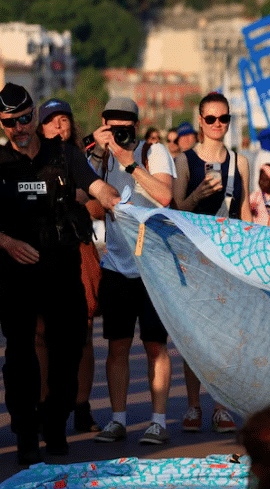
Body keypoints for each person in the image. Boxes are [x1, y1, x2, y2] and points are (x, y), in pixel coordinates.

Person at [0, 84, 121, 465]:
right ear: (1, 122)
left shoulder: (64, 154)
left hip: (62, 268)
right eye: (10, 123)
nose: (19, 128)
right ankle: (25, 432)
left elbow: (96, 186)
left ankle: (56, 425)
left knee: (68, 350)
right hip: (17, 272)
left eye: (24, 119)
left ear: (34, 114)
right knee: (20, 356)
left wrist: (115, 200)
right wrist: (6, 243)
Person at [86, 96, 178, 448]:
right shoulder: (101, 156)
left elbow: (165, 196)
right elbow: (90, 203)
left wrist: (130, 164)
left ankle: (158, 421)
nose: (120, 135)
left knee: (155, 346)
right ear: (104, 125)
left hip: (154, 266)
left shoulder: (153, 152)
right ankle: (118, 419)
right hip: (116, 265)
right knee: (117, 347)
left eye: (126, 129)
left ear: (137, 126)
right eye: (114, 129)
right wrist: (98, 154)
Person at [173, 92, 250, 436]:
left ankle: (221, 406)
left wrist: (250, 256)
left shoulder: (239, 162)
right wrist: (198, 195)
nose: (218, 124)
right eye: (211, 119)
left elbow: (244, 214)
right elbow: (176, 209)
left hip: (229, 258)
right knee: (194, 335)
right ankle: (193, 404)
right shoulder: (184, 161)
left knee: (226, 337)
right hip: (194, 258)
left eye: (224, 118)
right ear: (200, 121)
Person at [37, 98, 103, 434]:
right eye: (52, 120)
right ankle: (46, 405)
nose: (59, 126)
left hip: (79, 246)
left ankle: (81, 405)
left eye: (64, 119)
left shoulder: (80, 158)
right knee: (42, 333)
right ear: (41, 127)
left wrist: (79, 198)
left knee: (84, 333)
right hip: (42, 250)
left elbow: (100, 205)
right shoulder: (30, 159)